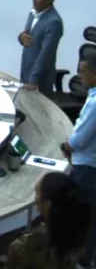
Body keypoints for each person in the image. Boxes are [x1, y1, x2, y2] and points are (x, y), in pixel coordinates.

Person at [6, 172, 90, 269]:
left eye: (37, 192)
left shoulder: (24, 245)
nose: (35, 199)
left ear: (47, 204)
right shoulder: (78, 231)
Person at [61, 47, 96, 266]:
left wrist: (67, 145)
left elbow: (79, 139)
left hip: (87, 169)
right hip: (88, 165)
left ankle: (83, 261)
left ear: (94, 74)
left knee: (85, 219)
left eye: (82, 71)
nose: (78, 76)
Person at [18, 0, 63, 93]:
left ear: (49, 0)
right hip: (25, 73)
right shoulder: (33, 13)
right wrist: (20, 37)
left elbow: (46, 54)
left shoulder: (54, 22)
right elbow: (27, 37)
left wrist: (33, 80)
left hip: (39, 82)